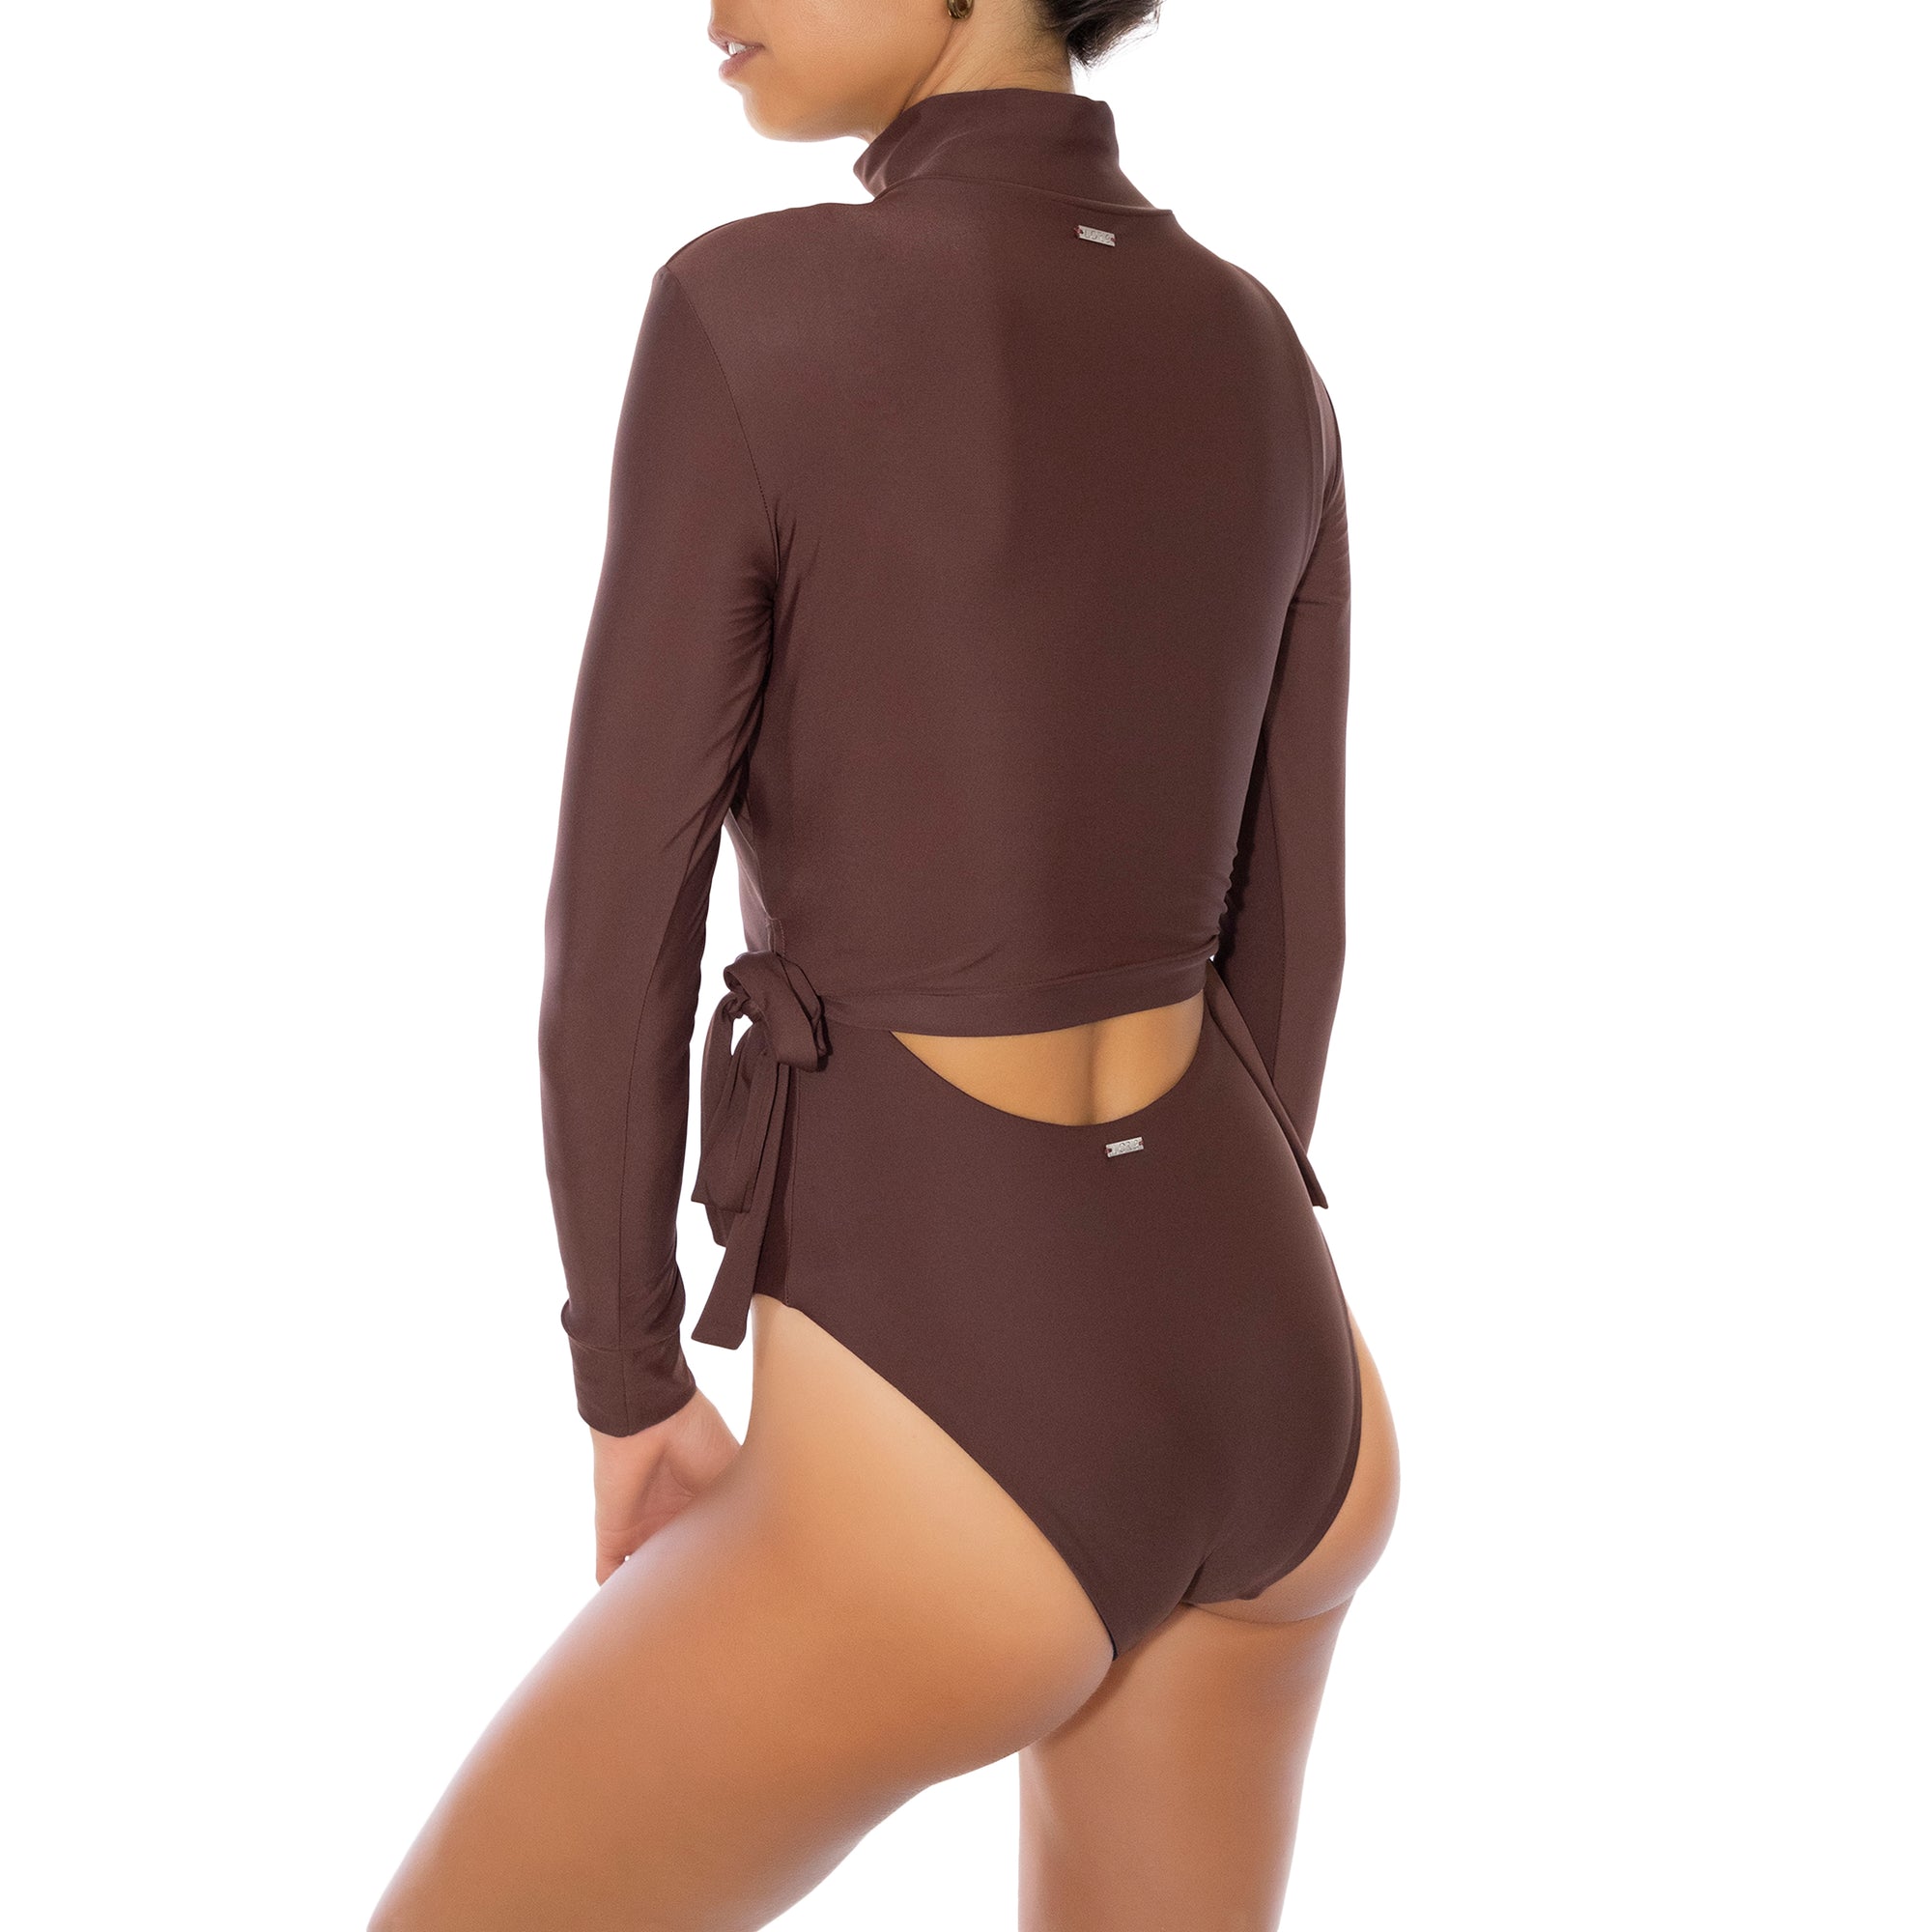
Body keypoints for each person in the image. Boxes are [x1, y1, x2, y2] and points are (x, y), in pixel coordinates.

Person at [371, 3, 1400, 1925]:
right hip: (1284, 1381)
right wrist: (1160, 1329)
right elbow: (1297, 919)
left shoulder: (756, 309)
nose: (712, 6)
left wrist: (628, 1376)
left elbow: (625, 916)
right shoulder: (1261, 346)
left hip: (946, 1419)